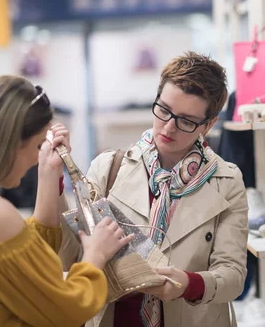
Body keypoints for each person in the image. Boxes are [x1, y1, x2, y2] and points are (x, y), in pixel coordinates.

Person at [59, 52, 249, 327]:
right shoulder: (109, 168)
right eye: (163, 110)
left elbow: (233, 276)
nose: (168, 127)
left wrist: (189, 284)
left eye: (186, 121)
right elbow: (70, 253)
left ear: (208, 124)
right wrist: (53, 178)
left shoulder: (226, 180)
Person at [0, 76, 133, 326]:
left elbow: (27, 261)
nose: (36, 158)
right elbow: (66, 310)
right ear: (14, 144)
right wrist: (94, 255)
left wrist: (49, 173)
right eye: (38, 145)